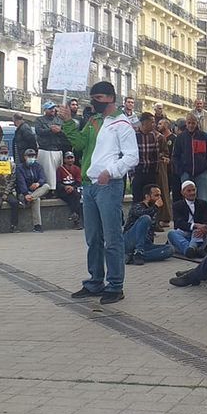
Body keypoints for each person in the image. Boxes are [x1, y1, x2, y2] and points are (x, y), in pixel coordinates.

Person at [61, 81, 139, 306]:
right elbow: (79, 144)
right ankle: (95, 281)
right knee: (93, 237)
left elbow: (132, 157)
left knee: (112, 237)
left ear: (109, 98)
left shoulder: (122, 124)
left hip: (109, 185)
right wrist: (68, 123)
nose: (93, 101)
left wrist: (111, 171)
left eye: (97, 98)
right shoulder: (94, 121)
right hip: (90, 184)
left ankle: (115, 285)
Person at [124, 184, 172, 265]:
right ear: (147, 197)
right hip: (129, 240)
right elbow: (144, 215)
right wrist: (156, 207)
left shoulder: (154, 210)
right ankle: (138, 252)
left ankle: (133, 257)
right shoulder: (137, 206)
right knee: (146, 218)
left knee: (170, 249)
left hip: (145, 243)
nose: (159, 198)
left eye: (160, 195)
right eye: (156, 195)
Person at [172, 113, 207, 202]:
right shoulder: (180, 138)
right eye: (189, 123)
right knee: (187, 200)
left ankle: (204, 216)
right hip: (186, 173)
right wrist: (180, 171)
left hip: (202, 173)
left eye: (193, 123)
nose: (191, 125)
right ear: (186, 123)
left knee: (205, 199)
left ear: (196, 123)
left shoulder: (204, 136)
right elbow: (175, 155)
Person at [168, 180, 207, 258]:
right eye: (189, 191)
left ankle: (190, 249)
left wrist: (204, 228)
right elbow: (178, 223)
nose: (192, 193)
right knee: (171, 233)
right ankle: (191, 249)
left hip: (198, 233)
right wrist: (194, 225)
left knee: (197, 233)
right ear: (182, 192)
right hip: (184, 232)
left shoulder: (203, 203)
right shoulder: (177, 205)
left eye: (193, 190)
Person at [33, 102, 67, 192]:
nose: (52, 110)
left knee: (58, 171)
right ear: (45, 110)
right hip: (46, 149)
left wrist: (59, 131)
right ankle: (49, 189)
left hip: (57, 149)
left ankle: (58, 188)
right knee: (48, 172)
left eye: (53, 108)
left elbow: (65, 134)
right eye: (50, 108)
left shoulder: (59, 120)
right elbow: (39, 131)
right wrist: (50, 130)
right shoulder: (39, 120)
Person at [15, 148, 50, 233]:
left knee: (46, 186)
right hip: (24, 192)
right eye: (29, 156)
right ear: (24, 157)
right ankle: (37, 226)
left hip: (35, 191)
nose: (31, 158)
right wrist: (26, 193)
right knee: (36, 200)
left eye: (33, 156)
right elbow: (21, 182)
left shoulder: (38, 166)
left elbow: (43, 178)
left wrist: (38, 183)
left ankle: (30, 198)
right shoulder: (20, 168)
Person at [132, 112, 162, 203]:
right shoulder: (134, 135)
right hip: (138, 172)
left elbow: (156, 155)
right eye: (152, 122)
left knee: (151, 200)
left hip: (150, 173)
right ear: (144, 123)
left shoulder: (153, 136)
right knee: (137, 200)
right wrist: (132, 175)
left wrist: (155, 172)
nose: (154, 125)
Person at [56, 151, 83, 229]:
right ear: (64, 160)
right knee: (74, 197)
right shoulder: (60, 169)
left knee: (75, 196)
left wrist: (72, 187)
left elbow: (78, 182)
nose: (70, 160)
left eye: (71, 158)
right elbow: (58, 183)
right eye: (68, 158)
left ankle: (75, 218)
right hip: (63, 190)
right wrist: (65, 187)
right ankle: (76, 219)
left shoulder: (77, 169)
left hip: (73, 190)